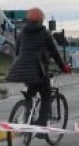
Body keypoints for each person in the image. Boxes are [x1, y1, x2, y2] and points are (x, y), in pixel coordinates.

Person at [6, 8, 71, 137]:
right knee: (46, 96)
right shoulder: (44, 33)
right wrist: (64, 67)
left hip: (19, 69)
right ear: (41, 20)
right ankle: (41, 128)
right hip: (37, 70)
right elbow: (54, 52)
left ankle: (26, 118)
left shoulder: (22, 33)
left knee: (31, 93)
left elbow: (18, 51)